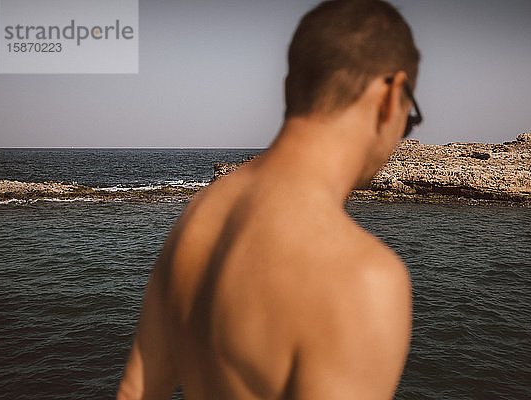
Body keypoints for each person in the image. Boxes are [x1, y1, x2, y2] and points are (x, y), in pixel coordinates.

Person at [117, 0, 421, 398]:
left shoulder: (198, 214)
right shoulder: (364, 278)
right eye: (410, 116)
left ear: (289, 87)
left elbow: (135, 392)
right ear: (390, 94)